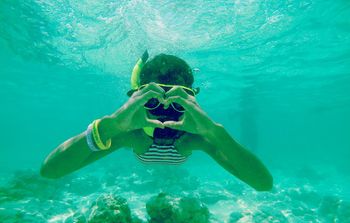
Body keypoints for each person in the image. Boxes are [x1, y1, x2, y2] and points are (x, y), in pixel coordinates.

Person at [40, 51, 273, 191]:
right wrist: (111, 124)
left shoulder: (196, 137)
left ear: (190, 100)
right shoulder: (130, 132)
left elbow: (263, 183)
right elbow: (50, 170)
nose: (164, 111)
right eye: (152, 102)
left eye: (176, 102)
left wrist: (214, 132)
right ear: (137, 99)